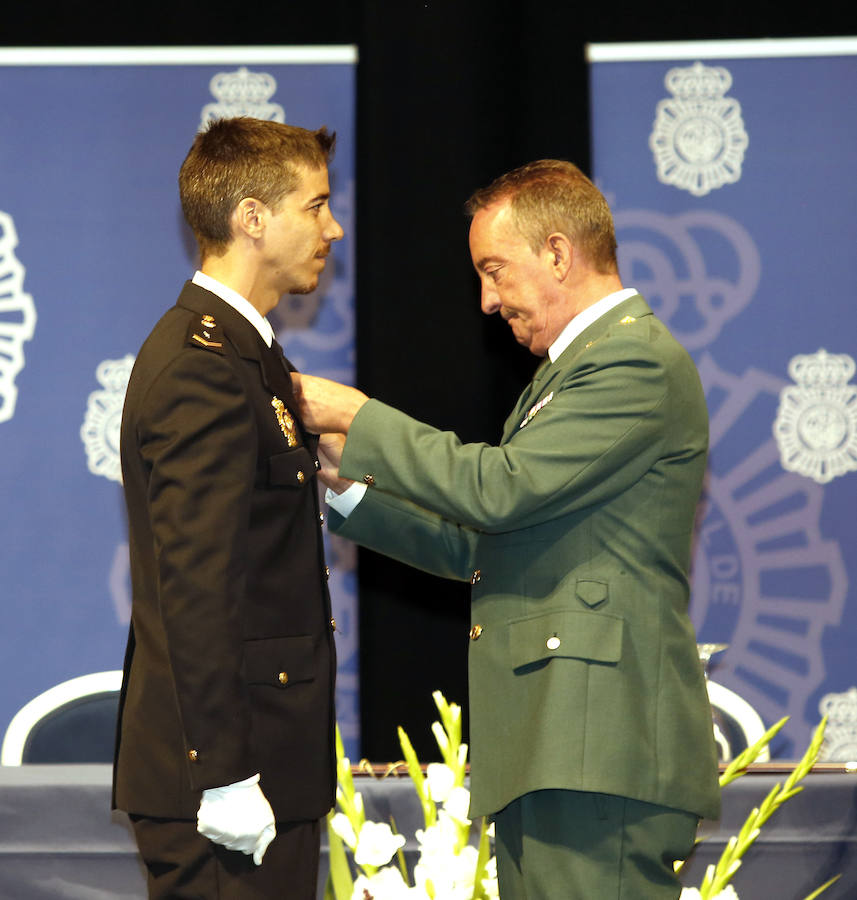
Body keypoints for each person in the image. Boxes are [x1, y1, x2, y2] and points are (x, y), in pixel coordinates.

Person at [292, 160, 721, 899]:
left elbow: (498, 490)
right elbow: (484, 544)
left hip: (597, 744)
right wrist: (349, 492)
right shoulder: (569, 373)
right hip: (556, 741)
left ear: (557, 252)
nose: (487, 302)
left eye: (494, 271)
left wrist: (354, 414)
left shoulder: (631, 362)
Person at [113, 116, 343, 899]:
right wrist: (224, 775)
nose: (332, 227)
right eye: (314, 206)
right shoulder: (202, 367)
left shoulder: (245, 355)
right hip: (228, 781)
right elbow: (198, 585)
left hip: (261, 765)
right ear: (252, 218)